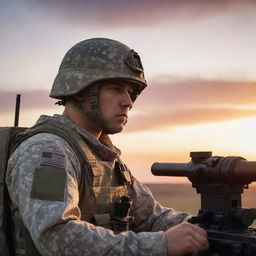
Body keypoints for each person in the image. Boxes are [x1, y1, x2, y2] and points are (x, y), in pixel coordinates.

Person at [6, 38, 208, 255]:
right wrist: (160, 245)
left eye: (130, 92)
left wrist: (205, 230)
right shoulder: (46, 152)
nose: (128, 102)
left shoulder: (104, 156)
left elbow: (151, 218)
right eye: (116, 89)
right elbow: (56, 236)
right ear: (81, 91)